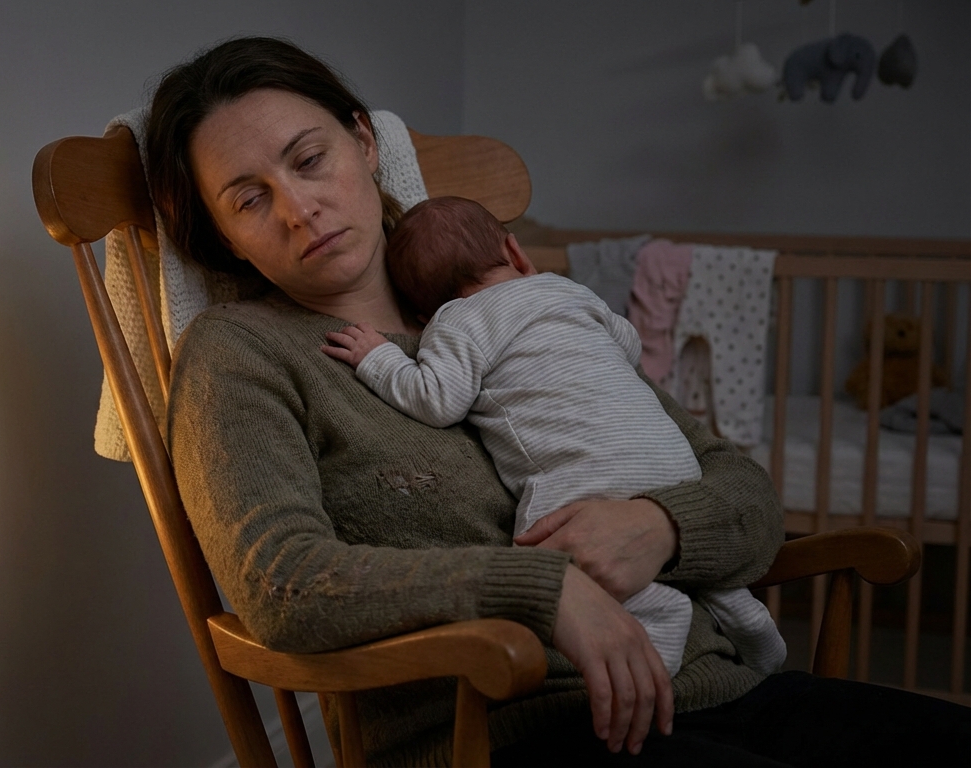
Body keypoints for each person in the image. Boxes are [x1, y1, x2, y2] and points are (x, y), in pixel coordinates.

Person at [143, 35, 970, 766]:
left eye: (309, 158)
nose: (298, 208)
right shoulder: (239, 355)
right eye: (249, 199)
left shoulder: (516, 305)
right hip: (509, 730)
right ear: (224, 237)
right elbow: (279, 583)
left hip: (720, 688)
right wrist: (541, 588)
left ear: (363, 142)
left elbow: (743, 491)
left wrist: (662, 527)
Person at [319, 196, 786, 681]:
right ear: (517, 254)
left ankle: (659, 610)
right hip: (670, 460)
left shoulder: (457, 322)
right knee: (669, 548)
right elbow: (627, 345)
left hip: (587, 475)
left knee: (541, 555)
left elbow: (439, 400)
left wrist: (380, 358)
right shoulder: (568, 291)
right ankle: (739, 607)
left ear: (419, 313)